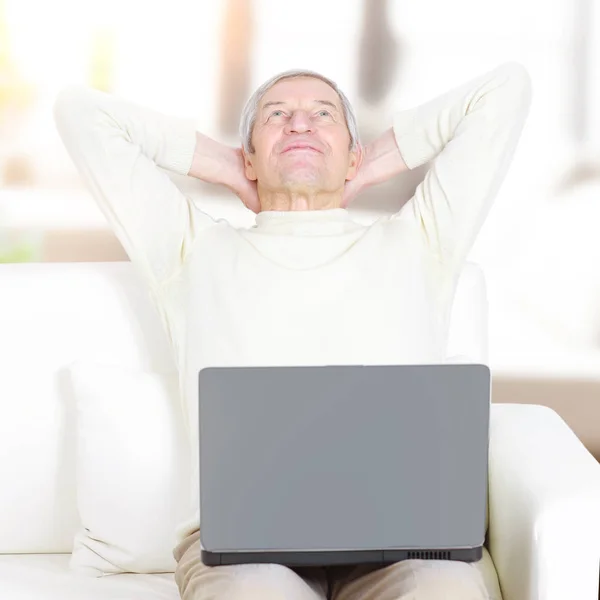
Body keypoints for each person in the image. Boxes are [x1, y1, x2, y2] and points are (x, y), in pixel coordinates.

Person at [53, 60, 531, 599]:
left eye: (322, 115)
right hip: (243, 553)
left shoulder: (421, 242)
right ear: (251, 153)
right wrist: (232, 168)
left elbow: (504, 90)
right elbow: (81, 112)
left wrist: (368, 165)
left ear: (353, 153)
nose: (299, 124)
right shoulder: (192, 253)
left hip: (406, 547)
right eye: (276, 116)